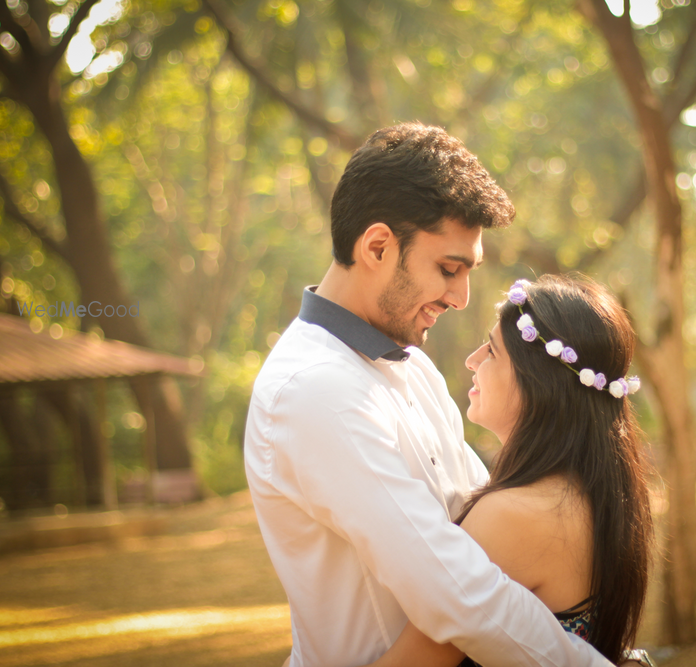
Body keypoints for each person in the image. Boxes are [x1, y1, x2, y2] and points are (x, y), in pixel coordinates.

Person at [244, 122, 613, 666]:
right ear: (376, 246)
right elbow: (458, 592)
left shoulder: (414, 367)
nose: (462, 297)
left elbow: (481, 528)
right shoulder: (314, 391)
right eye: (448, 269)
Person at [363, 275, 655, 667]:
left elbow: (417, 660)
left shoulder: (518, 514)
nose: (473, 359)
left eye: (493, 351)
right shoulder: (588, 493)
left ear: (539, 382)